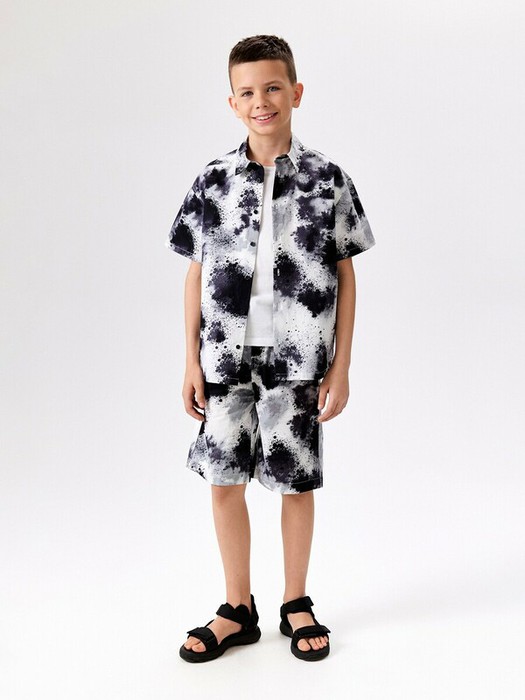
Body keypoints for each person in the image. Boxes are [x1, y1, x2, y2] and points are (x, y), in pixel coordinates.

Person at [165, 34, 376, 663]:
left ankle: (295, 601)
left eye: (273, 88)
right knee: (223, 479)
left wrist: (341, 364)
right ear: (232, 102)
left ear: (296, 93)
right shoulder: (212, 180)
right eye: (248, 92)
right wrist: (189, 361)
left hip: (297, 359)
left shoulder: (328, 180)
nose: (262, 101)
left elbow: (345, 275)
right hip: (225, 358)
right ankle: (237, 607)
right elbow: (195, 274)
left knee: (294, 482)